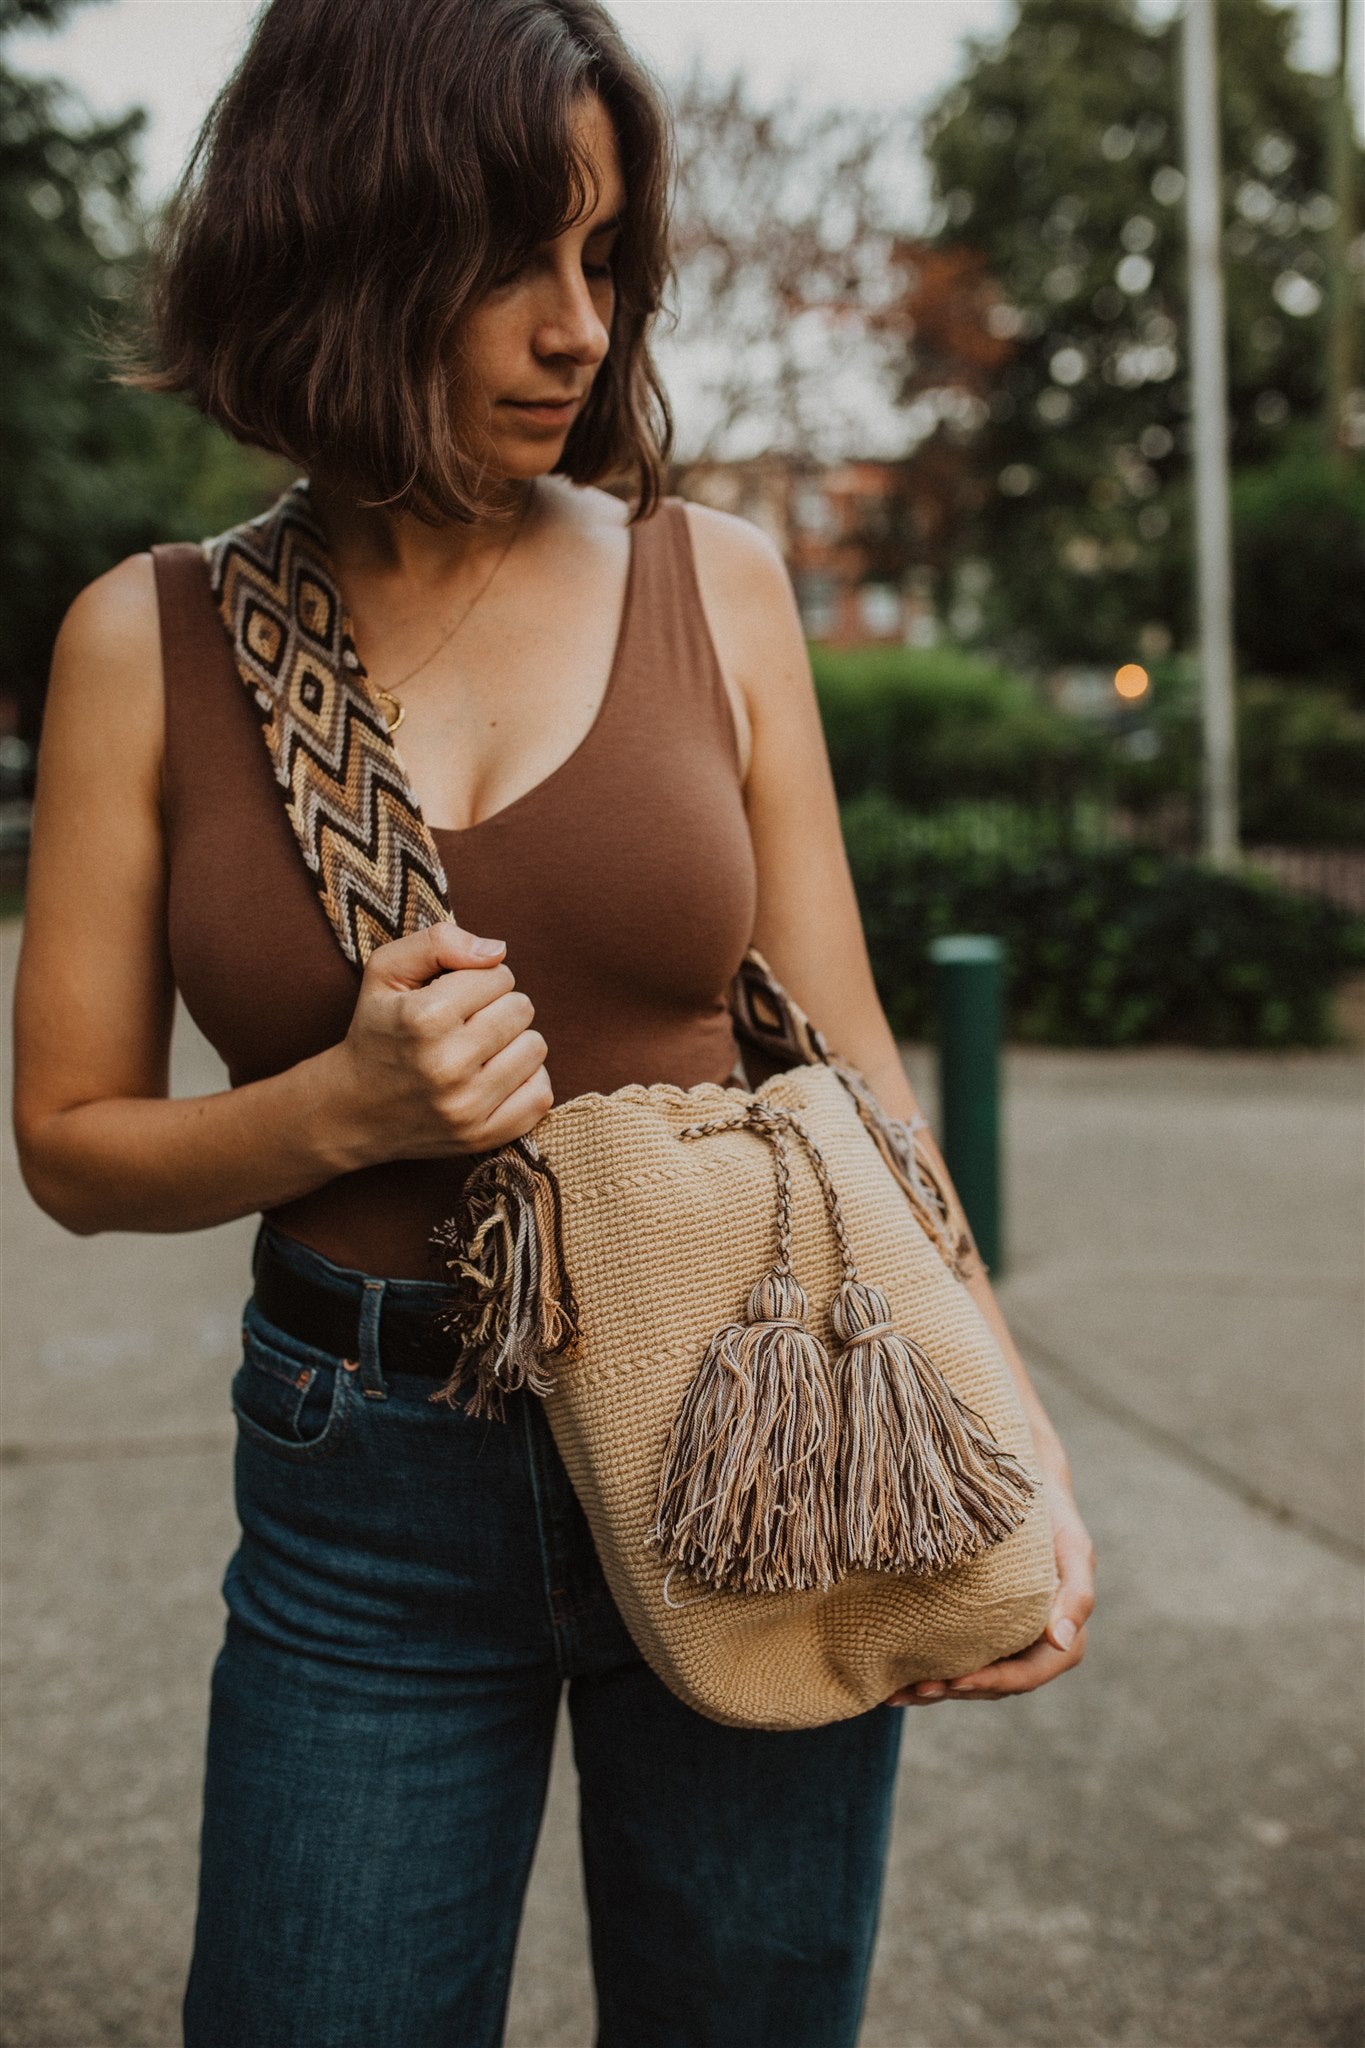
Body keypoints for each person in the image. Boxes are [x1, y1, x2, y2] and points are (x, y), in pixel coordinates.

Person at [11, 1, 1095, 2042]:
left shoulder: (723, 581)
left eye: (606, 261)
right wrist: (333, 1106)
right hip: (367, 1487)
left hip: (758, 1429)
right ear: (345, 235)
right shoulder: (145, 645)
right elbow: (70, 1139)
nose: (578, 326)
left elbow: (850, 1066)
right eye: (516, 255)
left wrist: (1007, 1431)